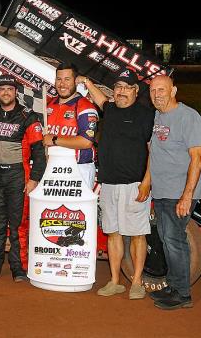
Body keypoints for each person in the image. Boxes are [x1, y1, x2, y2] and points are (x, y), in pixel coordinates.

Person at [76, 69, 154, 300]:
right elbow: (100, 98)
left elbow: (154, 151)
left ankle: (137, 282)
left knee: (138, 234)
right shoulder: (109, 109)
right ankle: (115, 280)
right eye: (118, 87)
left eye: (126, 87)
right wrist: (88, 81)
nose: (121, 92)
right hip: (109, 183)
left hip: (135, 184)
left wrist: (147, 182)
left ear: (135, 91)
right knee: (113, 233)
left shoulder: (145, 115)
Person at [0, 74, 46, 282]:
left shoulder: (28, 116)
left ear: (16, 92)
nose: (6, 92)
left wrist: (34, 179)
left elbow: (39, 152)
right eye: (2, 89)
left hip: (18, 177)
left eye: (10, 89)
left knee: (17, 226)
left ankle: (19, 268)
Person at [148, 75, 201, 310]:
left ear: (173, 91)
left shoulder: (189, 117)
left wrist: (186, 195)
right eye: (153, 91)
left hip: (179, 193)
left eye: (161, 90)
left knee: (174, 241)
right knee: (166, 239)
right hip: (161, 192)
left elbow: (198, 158)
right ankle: (173, 286)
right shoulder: (158, 115)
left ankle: (182, 294)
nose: (157, 94)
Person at [43, 63, 100, 188]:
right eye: (59, 79)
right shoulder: (49, 104)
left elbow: (86, 142)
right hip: (52, 167)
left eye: (67, 79)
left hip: (78, 168)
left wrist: (54, 140)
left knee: (76, 208)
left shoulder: (85, 106)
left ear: (75, 81)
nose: (62, 84)